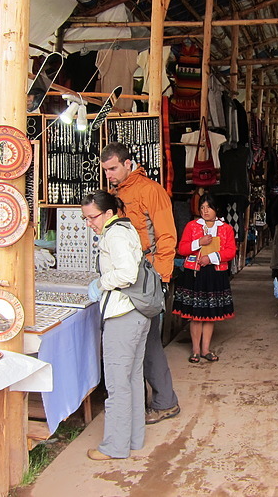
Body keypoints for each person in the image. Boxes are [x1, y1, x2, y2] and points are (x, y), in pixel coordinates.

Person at [101, 142, 180, 425]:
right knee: (140, 343)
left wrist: (161, 279)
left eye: (113, 168)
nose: (109, 174)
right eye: (105, 169)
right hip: (129, 275)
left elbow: (167, 236)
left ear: (127, 163)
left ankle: (164, 402)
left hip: (148, 276)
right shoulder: (115, 194)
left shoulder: (151, 191)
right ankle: (154, 401)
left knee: (147, 342)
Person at [82, 190, 152, 461]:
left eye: (92, 217)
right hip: (135, 314)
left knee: (117, 384)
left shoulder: (116, 234)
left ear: (108, 213)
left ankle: (114, 447)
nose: (90, 223)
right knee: (133, 379)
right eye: (86, 219)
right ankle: (134, 438)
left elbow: (126, 273)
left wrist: (101, 283)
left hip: (123, 316)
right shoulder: (124, 229)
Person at [173, 193, 237, 363]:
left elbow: (231, 251)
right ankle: (195, 349)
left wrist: (211, 258)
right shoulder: (192, 226)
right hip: (195, 273)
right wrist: (199, 242)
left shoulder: (226, 228)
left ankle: (205, 349)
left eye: (208, 207)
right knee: (196, 315)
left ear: (216, 209)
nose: (205, 210)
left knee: (210, 315)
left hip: (215, 273)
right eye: (202, 207)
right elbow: (182, 249)